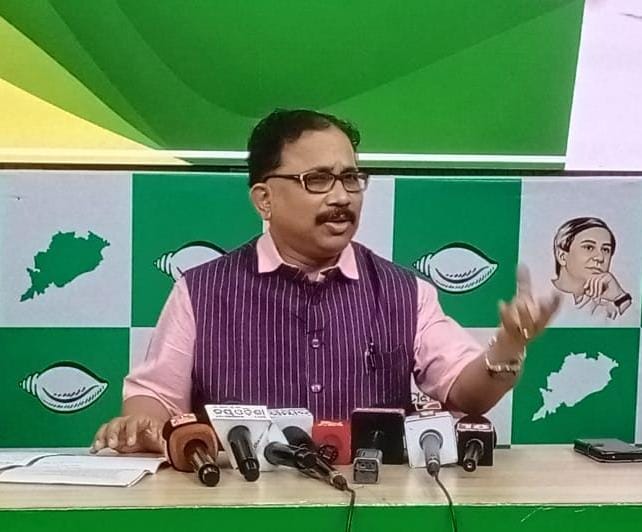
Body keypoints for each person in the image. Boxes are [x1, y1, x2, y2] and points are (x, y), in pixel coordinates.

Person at [91, 109, 559, 454]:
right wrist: (140, 425)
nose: (341, 197)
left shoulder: (403, 292)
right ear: (264, 199)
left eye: (351, 178)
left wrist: (507, 348)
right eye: (317, 180)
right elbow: (155, 398)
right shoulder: (202, 291)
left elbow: (465, 393)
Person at [552, 217, 631, 320]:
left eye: (605, 250)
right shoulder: (537, 300)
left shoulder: (609, 309)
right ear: (562, 256)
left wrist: (620, 297)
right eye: (589, 247)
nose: (600, 258)